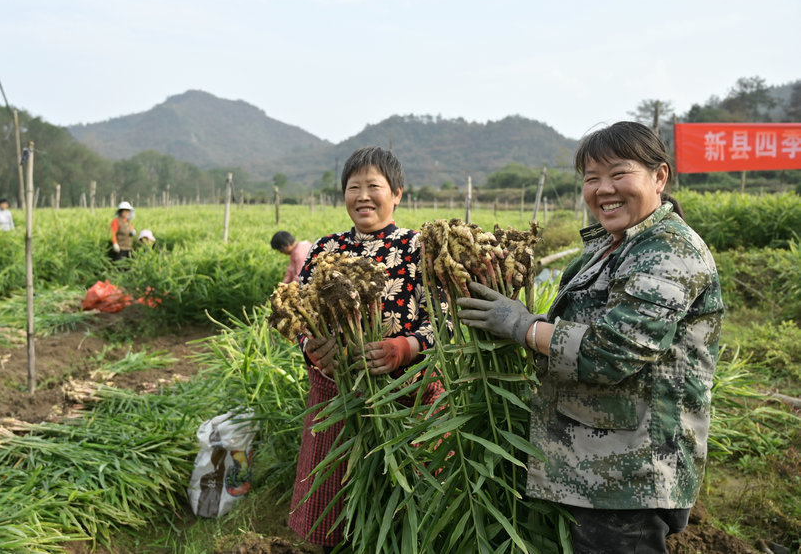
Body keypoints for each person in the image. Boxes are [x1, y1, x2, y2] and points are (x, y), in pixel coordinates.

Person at [457, 122, 724, 554]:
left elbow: (610, 352)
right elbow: (585, 326)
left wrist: (523, 327)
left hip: (630, 473)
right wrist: (523, 323)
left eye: (619, 174)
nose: (604, 189)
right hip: (591, 466)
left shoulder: (669, 250)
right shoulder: (611, 246)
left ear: (660, 177)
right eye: (592, 178)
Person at [288, 147, 442, 552]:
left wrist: (404, 347)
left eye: (373, 186)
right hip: (336, 398)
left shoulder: (417, 248)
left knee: (402, 505)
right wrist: (312, 348)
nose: (362, 196)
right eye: (353, 187)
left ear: (397, 194)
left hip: (405, 399)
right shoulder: (325, 250)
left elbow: (444, 321)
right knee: (332, 508)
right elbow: (298, 317)